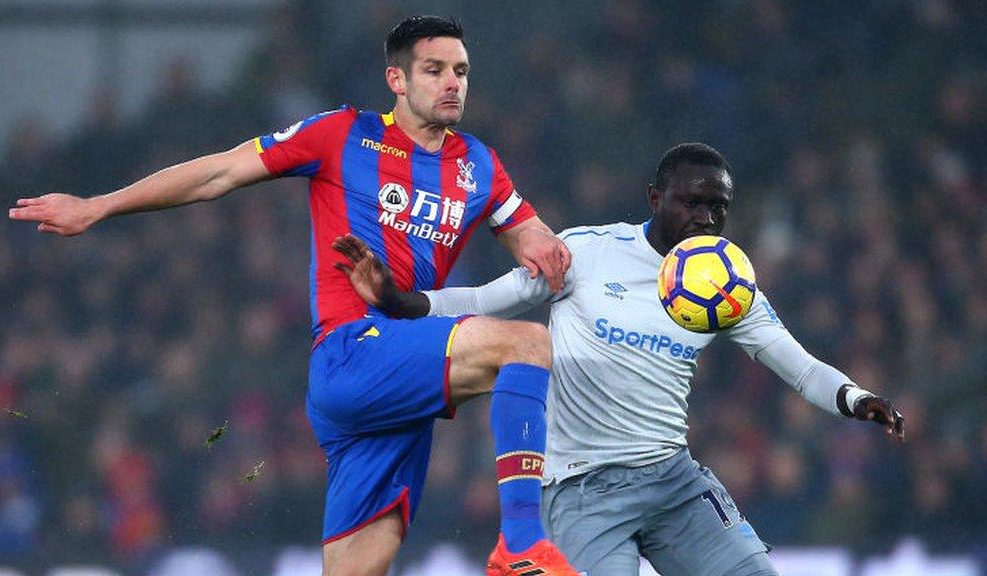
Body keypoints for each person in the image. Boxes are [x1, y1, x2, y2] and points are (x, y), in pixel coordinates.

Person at [8, 15, 580, 576]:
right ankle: (522, 543)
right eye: (434, 69)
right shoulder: (341, 134)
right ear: (397, 80)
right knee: (527, 344)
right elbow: (220, 173)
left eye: (461, 70)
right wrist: (99, 205)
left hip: (402, 393)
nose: (453, 81)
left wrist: (541, 242)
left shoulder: (478, 162)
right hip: (354, 350)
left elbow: (526, 229)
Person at [332, 142, 907, 576]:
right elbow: (486, 301)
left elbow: (800, 366)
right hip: (580, 491)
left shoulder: (730, 283)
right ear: (655, 198)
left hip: (672, 479)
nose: (706, 218)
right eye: (692, 202)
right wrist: (401, 302)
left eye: (719, 206)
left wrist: (857, 398)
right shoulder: (585, 253)